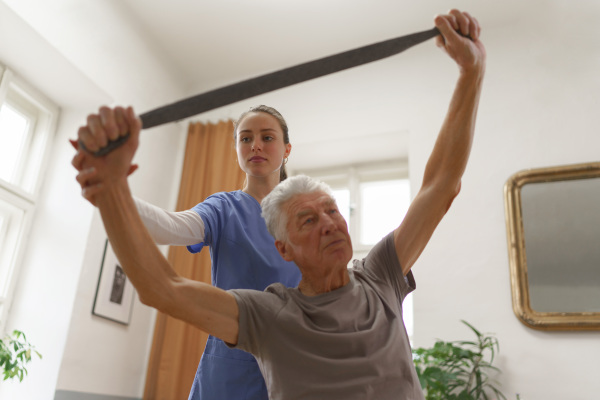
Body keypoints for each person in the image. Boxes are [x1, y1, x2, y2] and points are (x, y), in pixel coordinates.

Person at [72, 9, 485, 399]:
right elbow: (164, 284)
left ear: (287, 149)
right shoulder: (270, 313)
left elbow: (441, 184)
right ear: (281, 245)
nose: (328, 223)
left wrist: (472, 71)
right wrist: (111, 190)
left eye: (333, 210)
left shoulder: (378, 277)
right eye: (307, 220)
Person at [72, 105, 302, 399]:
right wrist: (113, 189)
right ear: (236, 150)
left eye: (267, 137)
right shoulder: (223, 208)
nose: (255, 144)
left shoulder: (305, 217)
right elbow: (169, 226)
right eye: (245, 138)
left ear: (286, 150)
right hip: (228, 371)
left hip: (292, 367)